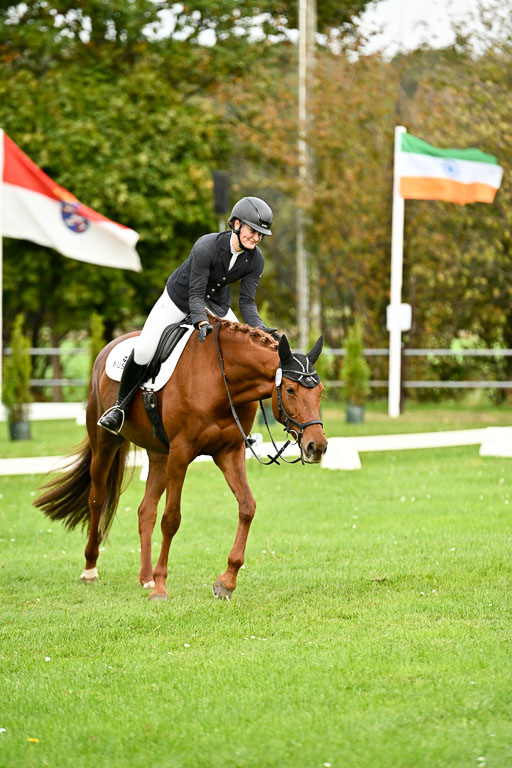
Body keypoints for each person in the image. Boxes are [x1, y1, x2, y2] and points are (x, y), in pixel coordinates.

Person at [98, 196, 276, 434]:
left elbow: (246, 302)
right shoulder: (206, 246)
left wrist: (259, 329)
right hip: (179, 298)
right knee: (144, 350)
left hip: (218, 306)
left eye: (260, 234)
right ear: (235, 224)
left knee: (240, 352)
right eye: (252, 230)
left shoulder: (256, 259)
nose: (256, 237)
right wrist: (200, 321)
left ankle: (236, 429)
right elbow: (195, 293)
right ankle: (119, 408)